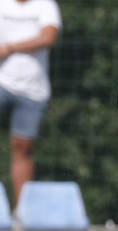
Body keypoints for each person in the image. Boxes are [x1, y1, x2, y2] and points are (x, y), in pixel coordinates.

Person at [0, 0, 60, 205]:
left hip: (32, 91)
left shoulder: (46, 5)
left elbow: (48, 37)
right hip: (2, 83)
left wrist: (9, 47)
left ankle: (21, 211)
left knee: (22, 148)